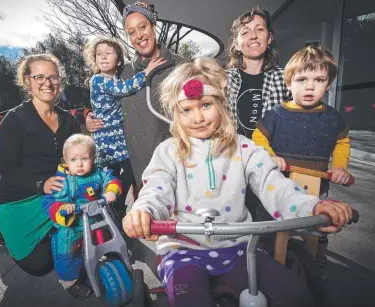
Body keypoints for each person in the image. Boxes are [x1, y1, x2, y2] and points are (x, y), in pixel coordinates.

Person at [121, 57, 353, 307]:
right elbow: (157, 187)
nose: (198, 117)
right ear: (176, 114)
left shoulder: (244, 148)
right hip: (183, 249)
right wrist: (143, 211)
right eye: (187, 110)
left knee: (295, 296)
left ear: (220, 104)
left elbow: (273, 184)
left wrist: (312, 207)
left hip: (241, 248)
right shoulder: (168, 152)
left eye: (206, 105)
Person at [252, 45, 351, 269]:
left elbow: (342, 142)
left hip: (316, 183)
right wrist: (270, 156)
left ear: (328, 85)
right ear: (289, 83)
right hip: (279, 181)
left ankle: (317, 260)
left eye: (318, 80)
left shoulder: (332, 117)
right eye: (302, 80)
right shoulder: (277, 114)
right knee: (269, 222)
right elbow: (259, 136)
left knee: (318, 225)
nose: (309, 86)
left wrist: (339, 167)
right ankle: (263, 258)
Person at [85, 1, 187, 200]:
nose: (139, 35)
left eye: (143, 27)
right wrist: (91, 118)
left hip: (178, 164)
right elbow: (105, 101)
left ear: (153, 26)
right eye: (131, 32)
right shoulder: (123, 74)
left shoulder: (182, 65)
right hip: (139, 170)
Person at [0, 53, 81, 277]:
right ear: (27, 80)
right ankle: (5, 229)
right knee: (41, 265)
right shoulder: (14, 120)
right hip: (18, 200)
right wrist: (41, 184)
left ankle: (48, 226)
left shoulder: (70, 120)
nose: (47, 83)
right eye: (39, 77)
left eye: (53, 77)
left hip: (55, 195)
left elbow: (79, 153)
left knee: (79, 237)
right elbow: (9, 170)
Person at [83, 37, 166, 217]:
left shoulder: (117, 76)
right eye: (99, 54)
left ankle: (116, 208)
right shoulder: (98, 80)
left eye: (108, 53)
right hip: (105, 138)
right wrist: (147, 72)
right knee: (109, 176)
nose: (103, 57)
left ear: (119, 60)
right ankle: (106, 210)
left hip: (118, 137)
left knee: (129, 172)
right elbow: (125, 88)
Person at [226, 7, 292, 221]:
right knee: (234, 225)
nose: (253, 36)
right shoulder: (223, 80)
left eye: (259, 30)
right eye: (245, 32)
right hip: (232, 166)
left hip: (271, 165)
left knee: (268, 225)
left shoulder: (287, 80)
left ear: (269, 37)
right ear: (236, 42)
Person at [42, 134, 122, 299]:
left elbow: (111, 179)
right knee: (66, 249)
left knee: (112, 234)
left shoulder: (99, 172)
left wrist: (111, 191)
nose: (79, 164)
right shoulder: (62, 180)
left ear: (92, 158)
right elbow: (49, 202)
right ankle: (70, 281)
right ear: (66, 160)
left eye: (85, 158)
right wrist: (63, 208)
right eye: (73, 160)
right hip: (74, 224)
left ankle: (114, 255)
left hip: (98, 217)